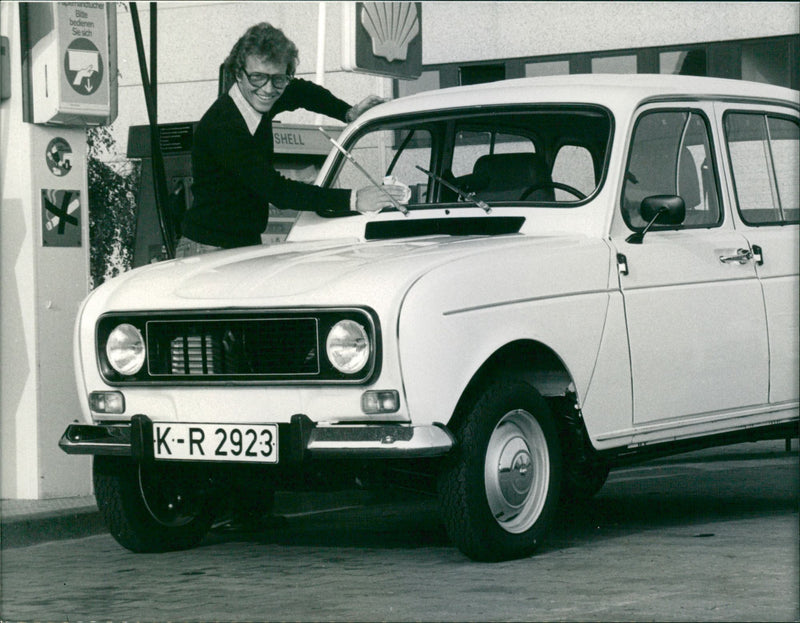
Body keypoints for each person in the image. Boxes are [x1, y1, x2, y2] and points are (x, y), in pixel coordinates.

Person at [176, 22, 407, 257]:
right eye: (257, 77)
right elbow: (276, 190)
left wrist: (348, 113)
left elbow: (302, 92)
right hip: (207, 247)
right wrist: (354, 199)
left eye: (278, 79)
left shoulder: (263, 95)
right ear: (238, 74)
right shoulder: (223, 126)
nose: (268, 89)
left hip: (243, 242)